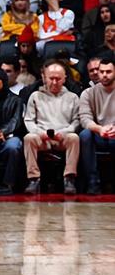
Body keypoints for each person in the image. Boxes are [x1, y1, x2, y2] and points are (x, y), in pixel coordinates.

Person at [23, 61, 80, 195]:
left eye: (58, 79)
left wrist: (64, 132)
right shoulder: (35, 96)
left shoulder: (72, 97)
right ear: (44, 78)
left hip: (63, 137)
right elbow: (29, 120)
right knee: (28, 138)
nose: (54, 82)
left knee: (74, 138)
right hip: (42, 138)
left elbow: (76, 121)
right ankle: (34, 179)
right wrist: (40, 133)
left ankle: (69, 178)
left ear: (65, 78)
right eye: (51, 78)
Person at [79, 58, 115, 195]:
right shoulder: (88, 93)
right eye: (102, 71)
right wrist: (99, 129)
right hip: (98, 134)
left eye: (108, 72)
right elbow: (84, 119)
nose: (104, 75)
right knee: (84, 135)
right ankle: (93, 182)